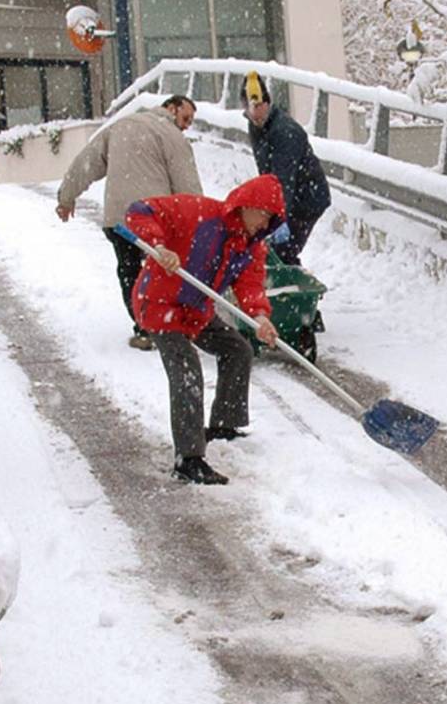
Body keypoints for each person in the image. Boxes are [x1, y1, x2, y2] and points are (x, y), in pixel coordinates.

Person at [124, 174, 286, 485]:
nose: (265, 224)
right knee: (187, 370)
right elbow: (139, 210)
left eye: (271, 220)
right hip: (160, 306)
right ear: (247, 205)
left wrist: (261, 317)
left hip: (195, 311)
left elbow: (250, 286)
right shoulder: (197, 213)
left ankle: (224, 425)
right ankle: (189, 458)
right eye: (264, 215)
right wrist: (158, 246)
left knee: (237, 349)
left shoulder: (251, 247)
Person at [56, 95, 203, 350]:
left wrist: (66, 197)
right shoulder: (172, 136)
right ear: (171, 108)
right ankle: (168, 325)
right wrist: (199, 223)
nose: (187, 125)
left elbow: (87, 162)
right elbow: (187, 186)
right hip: (154, 219)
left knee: (129, 271)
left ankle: (144, 328)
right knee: (163, 271)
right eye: (186, 118)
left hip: (120, 219)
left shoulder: (120, 126)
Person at [240, 71, 331, 266]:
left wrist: (279, 219)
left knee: (282, 252)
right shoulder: (256, 125)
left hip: (307, 197)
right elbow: (267, 173)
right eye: (249, 108)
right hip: (287, 194)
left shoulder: (285, 131)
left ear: (267, 102)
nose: (254, 113)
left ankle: (292, 292)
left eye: (258, 106)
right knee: (272, 251)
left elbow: (284, 180)